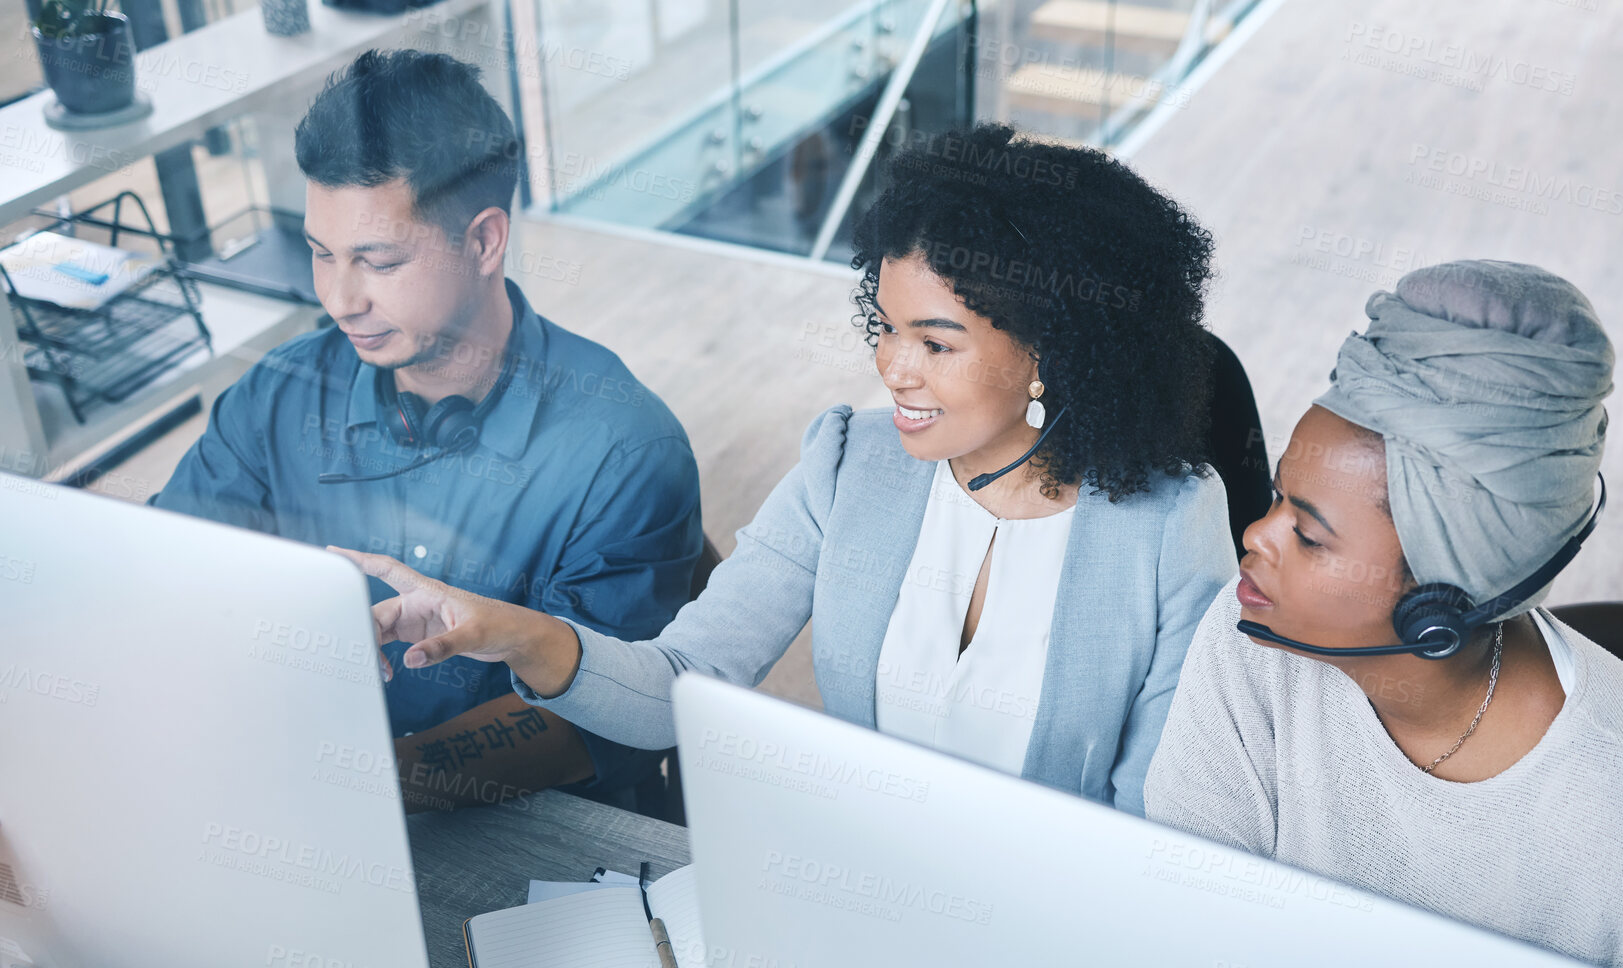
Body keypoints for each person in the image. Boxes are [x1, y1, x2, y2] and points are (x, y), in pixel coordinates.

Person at [334, 123, 1237, 814]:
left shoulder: (1167, 522)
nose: (893, 367)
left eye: (936, 341)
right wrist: (507, 631)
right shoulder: (852, 461)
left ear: (1052, 349)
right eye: (885, 326)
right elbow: (678, 683)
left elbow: (1152, 823)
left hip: (1056, 937)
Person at [1143, 260, 1623, 968]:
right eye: (1281, 495)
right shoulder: (1252, 626)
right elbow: (1182, 917)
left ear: (1440, 609)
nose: (1256, 534)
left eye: (1309, 536)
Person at [151, 50, 702, 811]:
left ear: (483, 242)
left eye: (377, 262)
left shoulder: (623, 452)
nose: (340, 298)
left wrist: (363, 783)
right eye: (320, 253)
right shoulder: (276, 394)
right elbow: (161, 576)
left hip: (539, 842)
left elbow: (607, 722)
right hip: (309, 797)